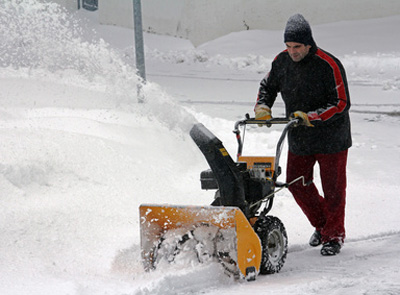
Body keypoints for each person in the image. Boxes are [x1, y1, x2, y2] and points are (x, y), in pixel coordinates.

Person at [254, 14, 352, 256]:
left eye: (297, 47)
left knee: (333, 190)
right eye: (288, 46)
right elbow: (267, 86)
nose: (292, 51)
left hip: (332, 138)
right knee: (297, 183)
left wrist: (313, 116)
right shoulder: (281, 62)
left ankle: (334, 236)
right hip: (299, 136)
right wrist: (263, 107)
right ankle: (323, 225)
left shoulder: (328, 64)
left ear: (309, 44)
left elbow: (342, 102)